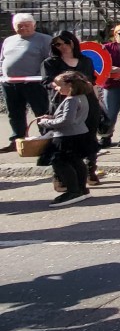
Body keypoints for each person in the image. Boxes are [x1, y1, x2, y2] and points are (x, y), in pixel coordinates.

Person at [40, 31, 101, 184]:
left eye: (66, 42)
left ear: (73, 42)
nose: (63, 46)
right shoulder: (50, 62)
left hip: (87, 102)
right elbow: (47, 82)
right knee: (62, 139)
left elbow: (92, 82)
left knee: (89, 136)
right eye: (58, 44)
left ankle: (90, 170)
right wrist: (62, 86)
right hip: (62, 102)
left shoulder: (85, 60)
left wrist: (98, 102)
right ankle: (60, 176)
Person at [35, 71, 98, 206]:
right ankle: (81, 189)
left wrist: (47, 122)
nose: (57, 88)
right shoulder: (82, 97)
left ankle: (73, 191)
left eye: (59, 85)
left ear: (69, 85)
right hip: (79, 133)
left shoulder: (71, 100)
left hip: (67, 136)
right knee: (76, 161)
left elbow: (66, 121)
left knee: (60, 162)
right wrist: (52, 117)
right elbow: (71, 117)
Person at [1, 13, 52, 153]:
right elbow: (3, 59)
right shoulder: (9, 40)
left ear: (33, 25)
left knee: (41, 111)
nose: (23, 28)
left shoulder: (45, 40)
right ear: (14, 27)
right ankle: (17, 139)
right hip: (10, 83)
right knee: (14, 113)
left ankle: (46, 139)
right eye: (20, 26)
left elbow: (49, 61)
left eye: (27, 25)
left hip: (34, 83)